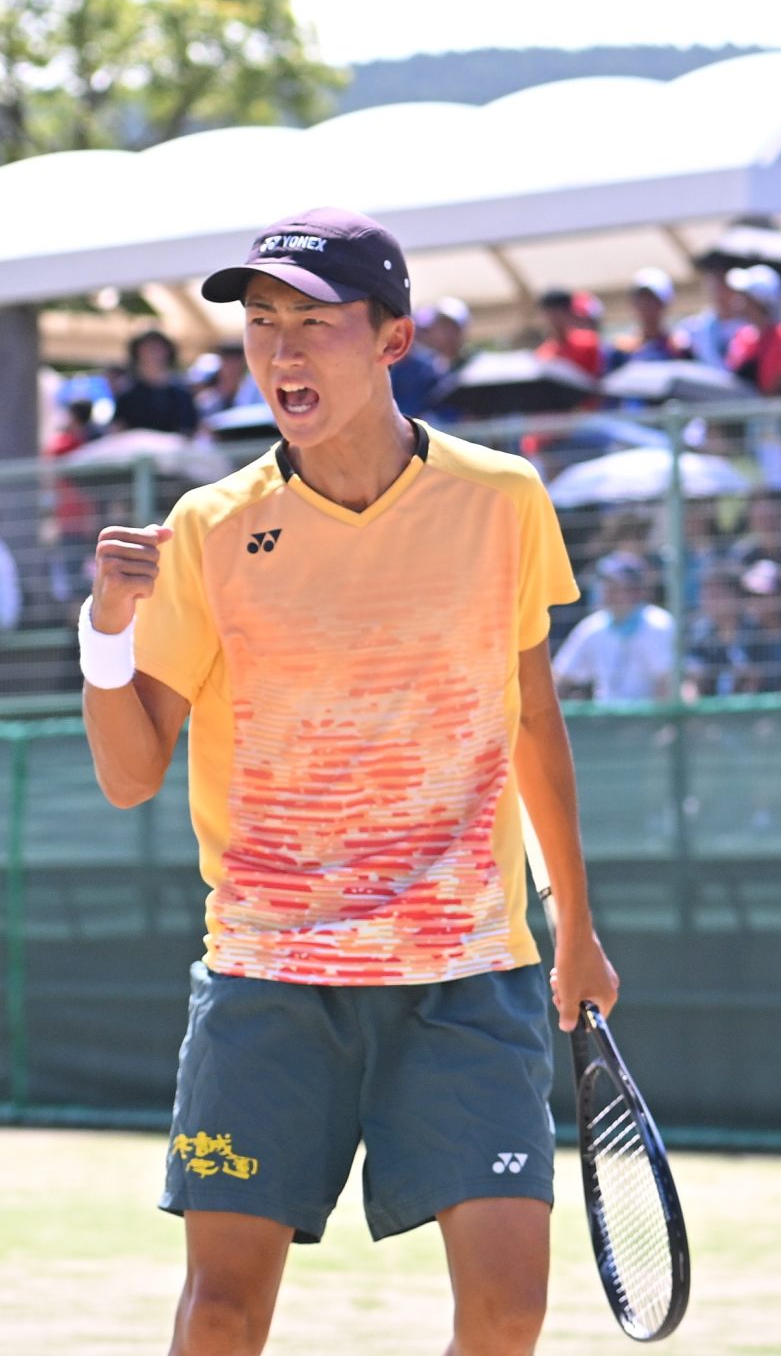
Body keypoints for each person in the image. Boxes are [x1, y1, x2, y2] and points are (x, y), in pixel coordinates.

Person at [78, 207, 617, 1356]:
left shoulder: (504, 500)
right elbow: (130, 777)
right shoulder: (208, 528)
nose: (279, 353)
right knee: (222, 1312)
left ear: (392, 338)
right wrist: (105, 633)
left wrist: (575, 925)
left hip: (471, 972)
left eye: (312, 325)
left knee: (513, 1306)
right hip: (269, 975)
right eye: (260, 325)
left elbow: (533, 715)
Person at [551, 553, 676, 703]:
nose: (607, 592)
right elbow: (560, 677)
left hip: (650, 722)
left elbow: (668, 684)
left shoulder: (658, 624)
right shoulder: (592, 626)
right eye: (605, 586)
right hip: (605, 722)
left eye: (616, 587)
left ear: (636, 592)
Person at [722, 264, 781, 395]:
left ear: (758, 301)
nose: (737, 299)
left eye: (744, 295)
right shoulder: (742, 337)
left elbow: (776, 387)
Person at [113, 329, 200, 435]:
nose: (153, 354)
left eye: (158, 349)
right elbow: (117, 427)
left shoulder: (181, 393)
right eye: (148, 349)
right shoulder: (127, 392)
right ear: (137, 353)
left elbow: (190, 429)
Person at [612, 269, 686, 366]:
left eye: (651, 299)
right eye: (640, 298)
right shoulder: (620, 352)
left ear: (664, 304)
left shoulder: (680, 349)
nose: (645, 305)